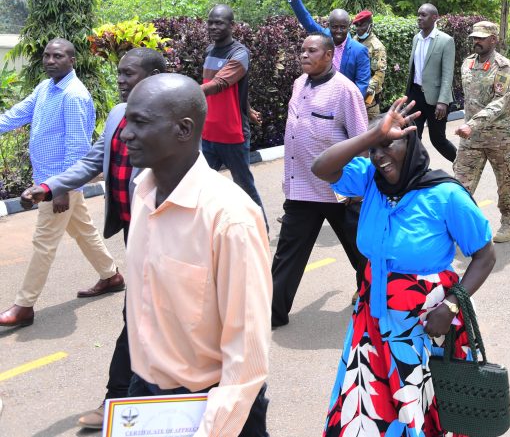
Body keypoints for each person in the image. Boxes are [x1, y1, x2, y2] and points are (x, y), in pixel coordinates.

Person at [311, 98, 495, 437]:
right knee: (368, 407)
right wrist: (370, 138)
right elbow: (321, 168)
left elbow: (485, 256)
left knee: (419, 406)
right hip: (371, 318)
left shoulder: (446, 195)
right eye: (373, 150)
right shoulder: (370, 180)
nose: (379, 157)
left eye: (387, 145)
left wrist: (452, 305)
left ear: (410, 143)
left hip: (426, 324)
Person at [22, 48, 166, 429]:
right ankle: (134, 398)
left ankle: (121, 400)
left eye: (128, 74)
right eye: (118, 73)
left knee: (139, 317)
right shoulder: (118, 115)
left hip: (167, 236)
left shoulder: (172, 120)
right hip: (135, 232)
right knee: (143, 318)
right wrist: (50, 185)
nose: (119, 81)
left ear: (152, 76)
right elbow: (92, 161)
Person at [121, 74, 272, 436]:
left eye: (140, 122)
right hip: (146, 394)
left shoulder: (230, 218)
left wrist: (212, 429)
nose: (126, 134)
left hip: (213, 408)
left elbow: (246, 354)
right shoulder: (142, 193)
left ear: (184, 130)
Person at [0, 39, 121, 330]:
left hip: (56, 185)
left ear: (72, 61)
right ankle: (111, 276)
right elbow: (17, 114)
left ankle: (24, 305)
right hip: (49, 182)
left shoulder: (74, 95)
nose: (50, 60)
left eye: (58, 56)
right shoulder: (45, 88)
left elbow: (77, 149)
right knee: (83, 230)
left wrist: (61, 189)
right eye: (47, 55)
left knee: (43, 243)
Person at [271, 34, 369, 329]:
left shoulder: (345, 91)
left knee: (362, 252)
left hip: (340, 190)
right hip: (301, 187)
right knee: (287, 255)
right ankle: (272, 312)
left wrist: (360, 191)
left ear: (329, 55)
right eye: (301, 50)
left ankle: (374, 301)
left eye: (311, 50)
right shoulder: (299, 84)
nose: (304, 55)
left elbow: (361, 142)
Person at [453, 21, 510, 243]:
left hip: (500, 137)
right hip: (471, 138)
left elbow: (501, 101)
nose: (476, 41)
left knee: (505, 182)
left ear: (494, 39)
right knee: (460, 185)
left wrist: (472, 124)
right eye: (474, 37)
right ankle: (458, 227)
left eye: (481, 38)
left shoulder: (503, 66)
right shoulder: (467, 64)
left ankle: (509, 222)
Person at [199, 5, 266, 225]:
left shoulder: (239, 53)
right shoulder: (209, 51)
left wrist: (186, 91)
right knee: (200, 185)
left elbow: (221, 83)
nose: (213, 27)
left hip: (233, 134)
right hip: (208, 132)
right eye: (210, 22)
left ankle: (260, 230)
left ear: (232, 26)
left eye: (219, 22)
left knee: (244, 185)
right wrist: (249, 109)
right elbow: (235, 89)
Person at [286, 0, 372, 96]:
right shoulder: (323, 38)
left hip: (344, 103)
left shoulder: (359, 51)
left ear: (348, 26)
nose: (338, 31)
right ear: (328, 25)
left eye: (342, 27)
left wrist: (348, 106)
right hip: (320, 98)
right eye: (334, 27)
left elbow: (362, 84)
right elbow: (305, 18)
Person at [407, 3, 458, 163]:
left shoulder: (445, 41)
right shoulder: (417, 38)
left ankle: (462, 166)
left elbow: (447, 73)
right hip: (415, 95)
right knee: (412, 138)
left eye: (423, 15)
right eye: (419, 14)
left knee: (438, 140)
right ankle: (418, 171)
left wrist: (442, 100)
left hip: (436, 99)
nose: (419, 18)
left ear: (434, 17)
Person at [351, 9, 388, 120]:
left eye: (362, 25)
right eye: (357, 25)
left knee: (370, 132)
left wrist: (365, 92)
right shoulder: (353, 41)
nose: (358, 29)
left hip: (369, 100)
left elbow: (379, 74)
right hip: (352, 94)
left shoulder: (377, 47)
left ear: (370, 26)